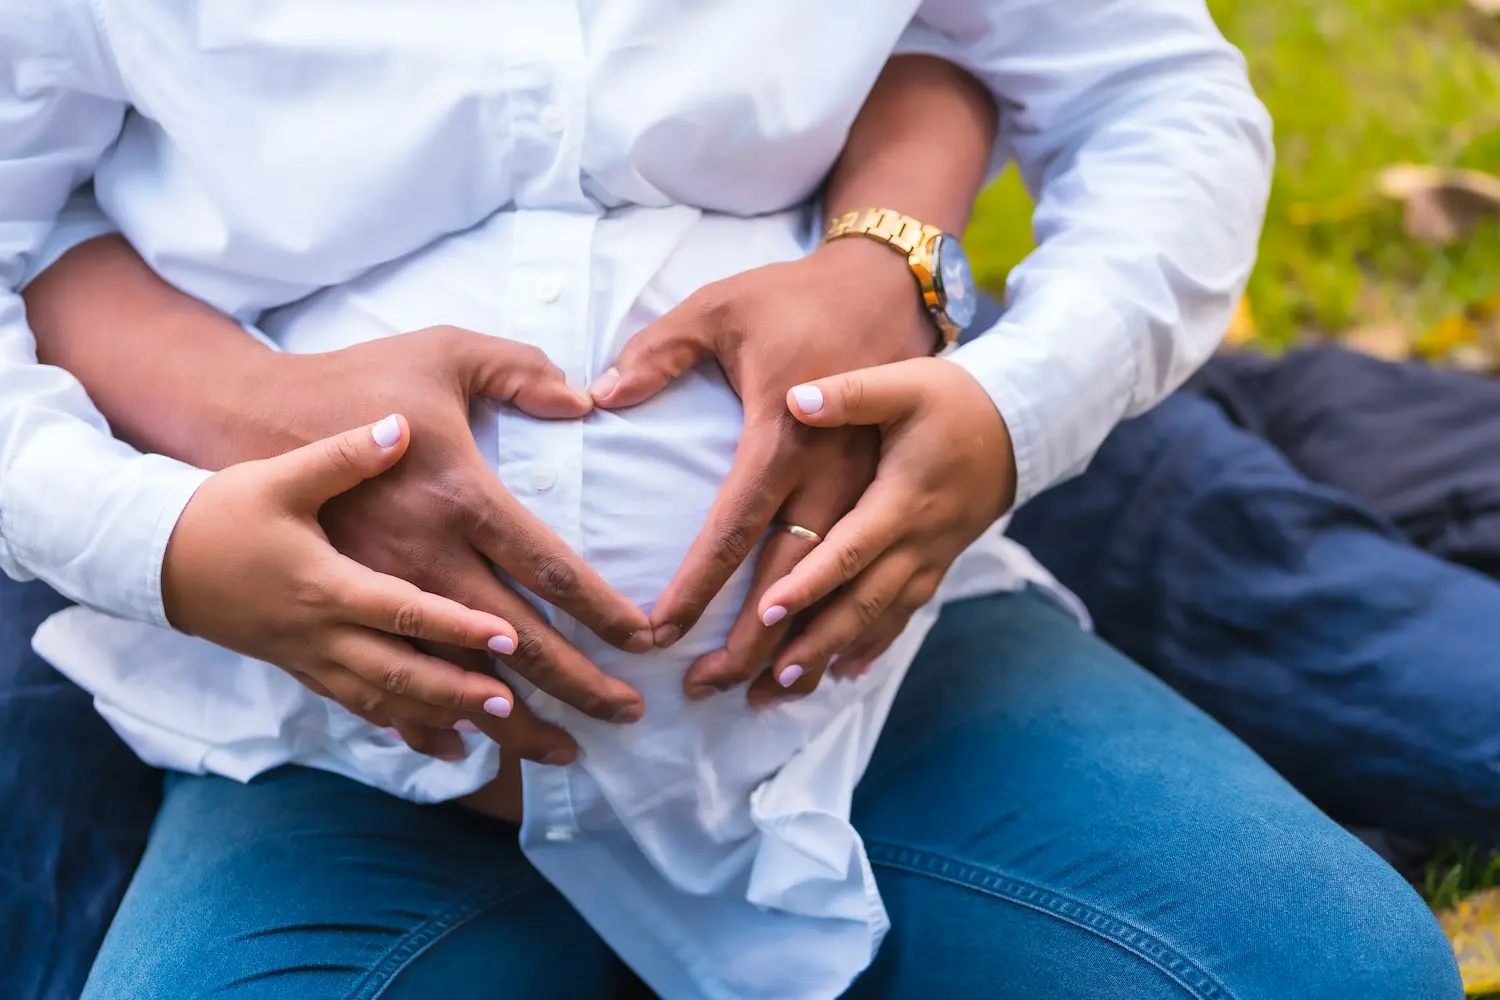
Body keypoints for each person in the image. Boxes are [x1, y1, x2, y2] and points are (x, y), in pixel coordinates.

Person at [0, 3, 1460, 999]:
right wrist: (168, 540)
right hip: (345, 749)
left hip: (866, 683)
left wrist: (1013, 410)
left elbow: (1147, 90)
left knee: (1331, 970)